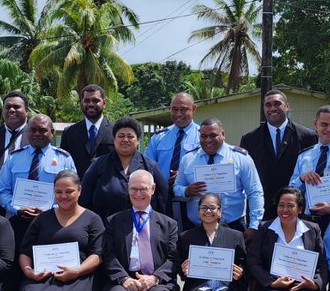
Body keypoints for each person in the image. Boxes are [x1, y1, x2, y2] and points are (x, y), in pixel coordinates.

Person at [173, 118, 264, 234]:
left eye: (213, 135)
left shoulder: (241, 158)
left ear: (223, 135)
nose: (208, 140)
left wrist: (254, 225)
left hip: (232, 226)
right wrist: (186, 191)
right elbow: (176, 187)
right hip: (196, 227)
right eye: (203, 136)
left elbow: (255, 192)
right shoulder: (188, 159)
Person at [0, 114, 75, 241]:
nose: (37, 133)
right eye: (33, 130)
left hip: (53, 221)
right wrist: (17, 209)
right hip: (17, 221)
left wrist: (50, 210)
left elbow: (72, 192)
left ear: (52, 132)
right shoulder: (14, 157)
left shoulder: (64, 159)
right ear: (27, 132)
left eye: (42, 130)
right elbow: (3, 190)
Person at [239, 90, 319, 214]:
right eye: (268, 105)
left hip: (296, 210)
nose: (272, 108)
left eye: (277, 104)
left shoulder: (308, 137)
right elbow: (245, 177)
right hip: (262, 210)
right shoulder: (249, 139)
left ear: (287, 106)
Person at [81, 117, 170, 220]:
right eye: (121, 136)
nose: (125, 140)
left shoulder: (150, 167)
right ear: (114, 139)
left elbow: (163, 200)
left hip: (142, 229)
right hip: (105, 230)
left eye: (130, 136)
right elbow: (84, 198)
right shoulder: (98, 165)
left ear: (138, 140)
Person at [144, 92, 200, 224]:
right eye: (174, 109)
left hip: (192, 199)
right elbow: (147, 166)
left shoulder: (203, 136)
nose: (178, 114)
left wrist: (183, 176)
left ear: (194, 108)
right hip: (163, 198)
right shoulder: (158, 137)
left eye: (183, 109)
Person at [60, 84, 114, 174]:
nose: (91, 104)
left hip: (106, 186)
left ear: (104, 103)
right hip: (79, 186)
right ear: (81, 103)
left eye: (95, 100)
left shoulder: (115, 131)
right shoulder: (69, 133)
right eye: (87, 101)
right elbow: (63, 164)